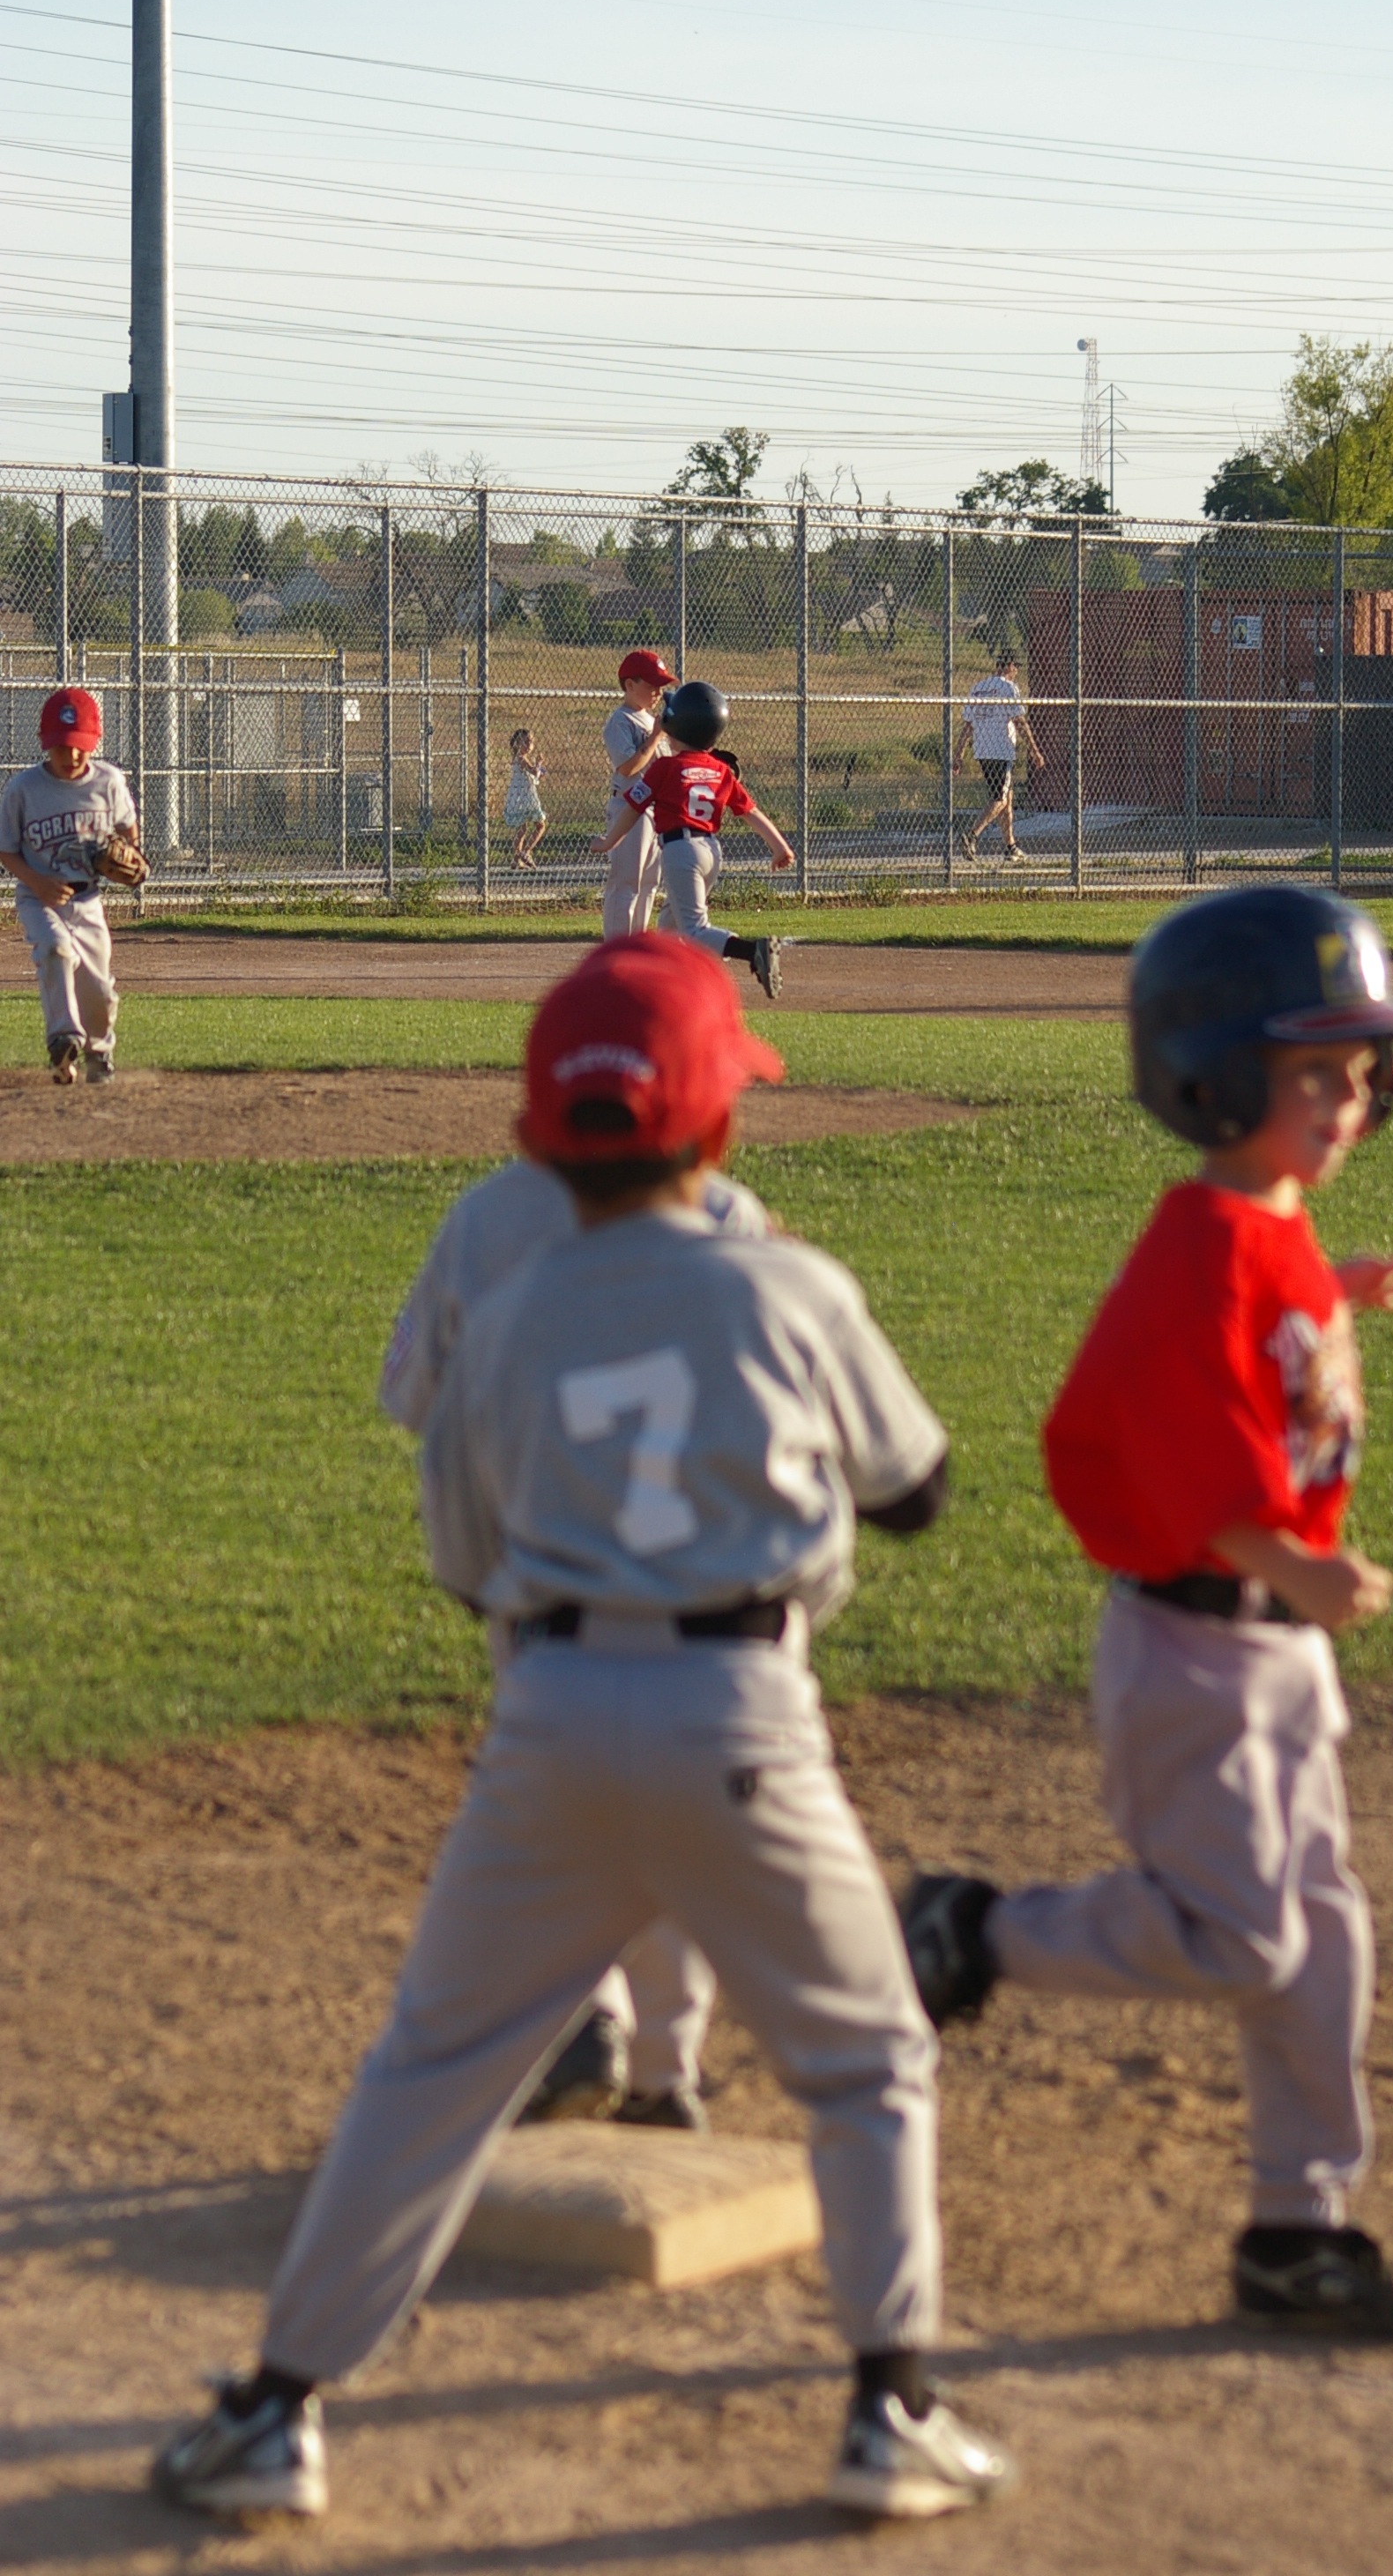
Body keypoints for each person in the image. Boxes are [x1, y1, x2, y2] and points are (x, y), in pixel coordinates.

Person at [153, 933, 1016, 2527]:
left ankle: (274, 2413)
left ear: (540, 1133)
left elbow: (463, 1559)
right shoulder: (787, 1282)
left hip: (544, 1718)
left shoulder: (508, 1312)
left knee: (433, 2069)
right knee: (867, 2056)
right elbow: (922, 1493)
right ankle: (891, 2412)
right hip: (745, 1715)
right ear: (720, 1124)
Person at [903, 887, 1393, 2346]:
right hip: (1198, 1649)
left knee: (1323, 1941)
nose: (1349, 1100)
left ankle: (1300, 2231)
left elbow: (1261, 1315)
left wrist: (1334, 1289)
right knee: (1243, 1941)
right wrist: (1299, 1566)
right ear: (1214, 1073)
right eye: (1314, 1072)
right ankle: (975, 1933)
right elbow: (1170, 1446)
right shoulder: (1201, 1247)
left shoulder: (1268, 1226)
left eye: (1362, 1072)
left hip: (1268, 1652)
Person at [377, 1111, 778, 2133]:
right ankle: (662, 2070)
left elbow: (414, 1396)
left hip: (541, 1576)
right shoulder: (729, 1215)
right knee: (680, 1825)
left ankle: (582, 2016)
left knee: (555, 1817)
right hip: (704, 1590)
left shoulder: (488, 1218)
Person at [603, 679, 791, 999]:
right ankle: (664, 985)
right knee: (670, 928)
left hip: (681, 851)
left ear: (675, 725)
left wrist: (608, 842)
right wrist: (780, 847)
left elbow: (634, 807)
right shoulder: (720, 769)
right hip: (711, 852)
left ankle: (753, 950)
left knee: (694, 930)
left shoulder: (665, 767)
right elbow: (751, 812)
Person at [0, 686, 142, 1084]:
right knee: (56, 950)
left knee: (98, 988)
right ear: (46, 743)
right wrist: (38, 882)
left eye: (80, 746)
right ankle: (62, 1039)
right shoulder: (24, 789)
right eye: (62, 747)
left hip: (88, 898)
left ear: (94, 741)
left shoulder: (107, 782)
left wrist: (128, 852)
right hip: (38, 898)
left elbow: (128, 829)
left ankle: (99, 1052)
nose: (72, 755)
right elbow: (6, 849)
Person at [599, 646, 674, 938]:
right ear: (630, 684)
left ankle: (637, 947)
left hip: (656, 810)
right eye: (652, 684)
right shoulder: (621, 721)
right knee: (627, 882)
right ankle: (617, 949)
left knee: (649, 883)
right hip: (630, 808)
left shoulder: (653, 721)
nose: (659, 692)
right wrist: (655, 737)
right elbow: (629, 768)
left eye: (661, 685)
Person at [954, 653, 1045, 865]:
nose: (1017, 671)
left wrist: (960, 753)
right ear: (1010, 666)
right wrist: (1034, 750)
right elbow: (1020, 721)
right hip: (1001, 751)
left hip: (983, 750)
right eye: (1016, 666)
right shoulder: (1008, 688)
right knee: (1000, 799)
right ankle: (972, 835)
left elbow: (968, 725)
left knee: (1007, 798)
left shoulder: (979, 688)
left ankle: (1010, 846)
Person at [503, 727, 546, 870]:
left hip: (521, 795)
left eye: (531, 742)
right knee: (540, 825)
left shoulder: (521, 759)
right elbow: (533, 771)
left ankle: (516, 860)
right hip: (524, 797)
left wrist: (538, 772)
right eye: (526, 742)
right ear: (517, 744)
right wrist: (538, 764)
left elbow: (533, 775)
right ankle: (525, 852)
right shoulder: (521, 758)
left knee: (522, 827)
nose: (529, 745)